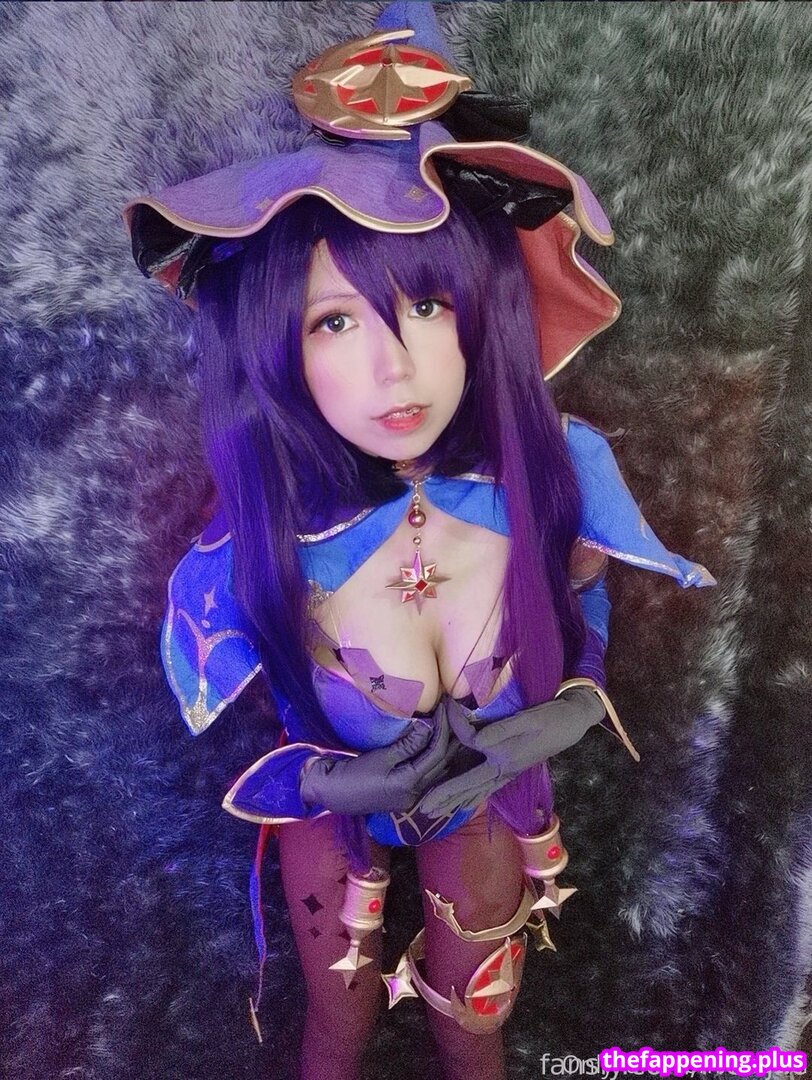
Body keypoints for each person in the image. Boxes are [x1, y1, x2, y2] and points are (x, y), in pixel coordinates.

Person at [122, 5, 714, 1078]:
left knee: (472, 1021)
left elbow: (584, 615)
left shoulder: (555, 471)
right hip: (336, 812)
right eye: (335, 320)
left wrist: (546, 724)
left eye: (429, 306)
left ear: (483, 307)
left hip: (486, 798)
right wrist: (340, 788)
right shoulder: (255, 540)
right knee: (335, 1022)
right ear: (276, 342)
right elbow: (252, 738)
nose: (395, 366)